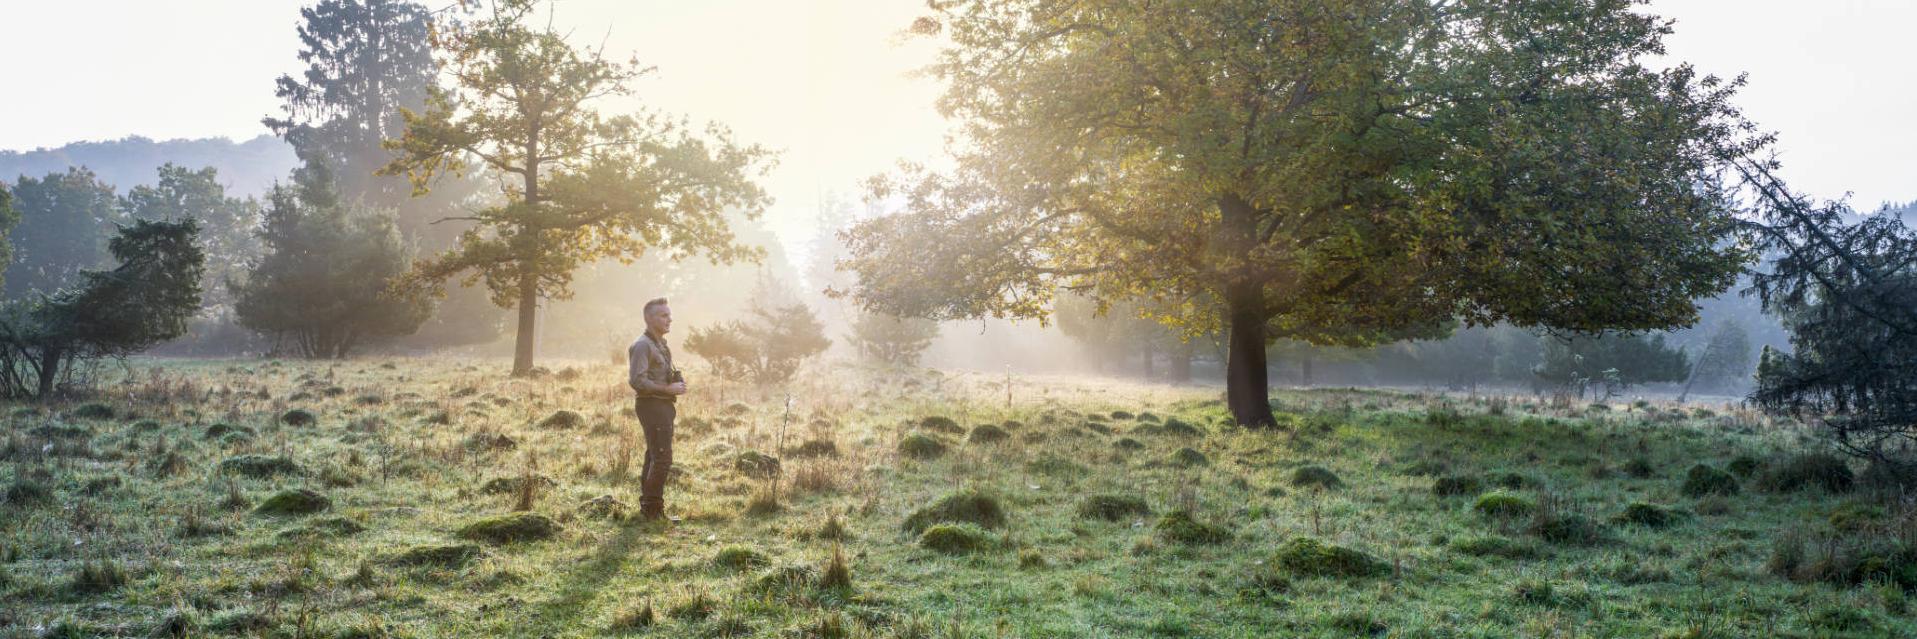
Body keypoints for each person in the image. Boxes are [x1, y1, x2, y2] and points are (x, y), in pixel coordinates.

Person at [628, 297, 687, 521]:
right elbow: (637, 380)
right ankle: (653, 512)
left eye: (669, 315)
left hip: (662, 405)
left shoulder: (660, 344)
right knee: (662, 459)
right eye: (663, 315)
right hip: (651, 405)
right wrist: (667, 387)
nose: (669, 319)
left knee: (654, 456)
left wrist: (674, 384)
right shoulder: (642, 345)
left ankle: (648, 508)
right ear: (649, 318)